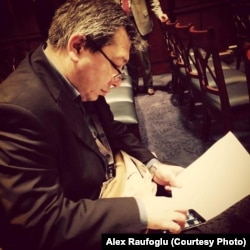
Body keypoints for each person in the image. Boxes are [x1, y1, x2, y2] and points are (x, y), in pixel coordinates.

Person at [0, 1, 187, 249]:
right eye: (117, 67)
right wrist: (141, 211)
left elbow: (114, 129)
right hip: (85, 214)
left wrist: (153, 166)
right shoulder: (18, 109)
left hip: (109, 182)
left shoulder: (72, 74)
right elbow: (39, 223)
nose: (118, 82)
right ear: (78, 47)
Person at [114, 0, 169, 95]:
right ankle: (134, 85)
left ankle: (148, 85)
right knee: (128, 57)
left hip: (140, 21)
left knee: (143, 56)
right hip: (122, 23)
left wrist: (159, 14)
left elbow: (153, 1)